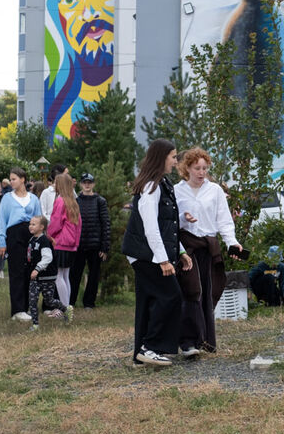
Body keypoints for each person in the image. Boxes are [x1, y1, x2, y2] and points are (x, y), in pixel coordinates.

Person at [121, 139, 192, 367]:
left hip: (147, 253)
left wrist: (179, 251)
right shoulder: (151, 186)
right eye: (173, 156)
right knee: (171, 296)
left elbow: (166, 224)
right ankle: (150, 347)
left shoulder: (162, 183)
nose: (175, 160)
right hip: (145, 254)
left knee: (148, 301)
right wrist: (163, 260)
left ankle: (139, 357)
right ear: (162, 157)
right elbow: (151, 226)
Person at [174, 148, 242, 356]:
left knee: (209, 292)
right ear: (187, 168)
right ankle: (187, 342)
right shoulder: (178, 190)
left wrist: (232, 242)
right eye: (197, 168)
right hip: (187, 245)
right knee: (191, 290)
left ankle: (204, 339)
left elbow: (223, 219)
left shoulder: (214, 190)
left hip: (208, 246)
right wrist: (185, 218)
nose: (201, 172)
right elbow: (172, 219)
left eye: (205, 168)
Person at [0, 168, 43, 321]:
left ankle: (26, 307)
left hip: (30, 235)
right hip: (14, 235)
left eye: (14, 179)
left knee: (29, 271)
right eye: (10, 179)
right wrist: (2, 242)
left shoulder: (34, 199)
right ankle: (17, 310)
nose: (11, 182)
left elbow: (39, 218)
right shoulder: (7, 198)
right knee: (16, 271)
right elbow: (2, 221)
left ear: (23, 179)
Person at [69, 173, 111, 309]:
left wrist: (105, 247)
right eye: (84, 182)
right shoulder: (76, 200)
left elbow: (106, 224)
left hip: (95, 245)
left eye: (89, 182)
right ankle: (71, 301)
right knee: (74, 275)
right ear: (81, 184)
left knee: (94, 276)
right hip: (79, 245)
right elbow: (71, 223)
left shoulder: (100, 201)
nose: (87, 185)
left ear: (93, 184)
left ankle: (89, 303)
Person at [25, 215, 73, 330]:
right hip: (35, 279)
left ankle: (66, 310)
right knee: (32, 300)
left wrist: (37, 269)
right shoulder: (31, 240)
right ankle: (35, 325)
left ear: (42, 227)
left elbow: (47, 258)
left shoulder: (44, 241)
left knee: (49, 300)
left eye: (33, 224)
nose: (30, 226)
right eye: (30, 224)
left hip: (47, 277)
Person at [49, 173, 81, 306]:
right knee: (65, 276)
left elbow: (56, 223)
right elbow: (79, 226)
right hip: (71, 244)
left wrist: (49, 235)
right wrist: (76, 244)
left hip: (60, 243)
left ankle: (66, 308)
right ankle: (68, 307)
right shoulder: (73, 202)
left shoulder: (60, 201)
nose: (54, 185)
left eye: (56, 183)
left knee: (58, 277)